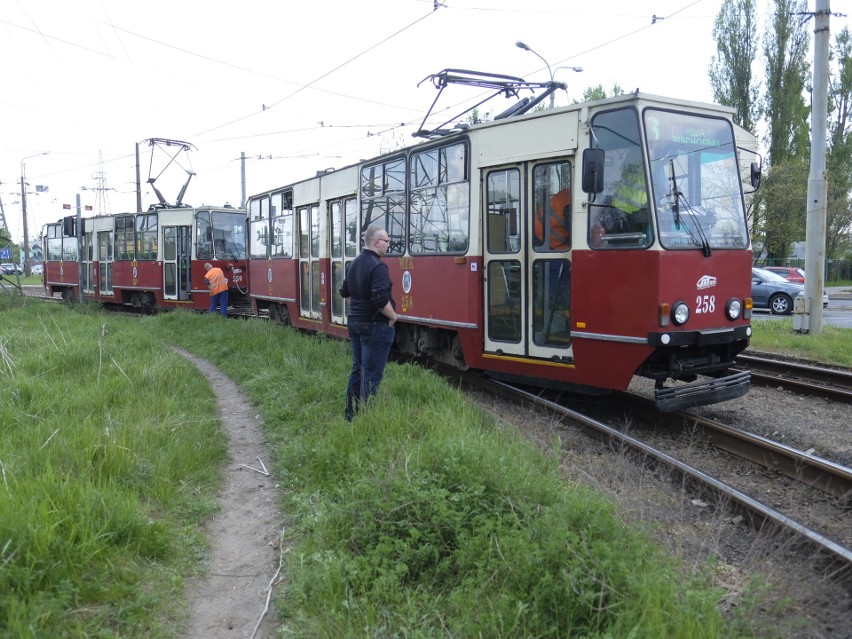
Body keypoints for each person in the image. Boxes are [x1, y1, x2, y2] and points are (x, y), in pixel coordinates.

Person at [340, 224, 398, 421]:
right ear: (376, 242)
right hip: (374, 326)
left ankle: (350, 415)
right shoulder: (378, 266)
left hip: (355, 322)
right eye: (386, 241)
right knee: (371, 374)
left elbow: (345, 293)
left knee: (357, 369)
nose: (388, 245)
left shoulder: (353, 263)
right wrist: (393, 316)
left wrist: (359, 307)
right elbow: (380, 298)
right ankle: (367, 418)